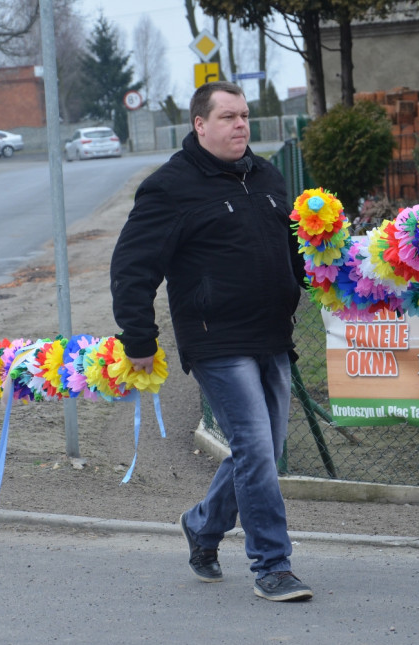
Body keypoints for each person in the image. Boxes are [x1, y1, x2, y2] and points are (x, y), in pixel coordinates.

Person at [109, 81, 313, 602]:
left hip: (271, 334)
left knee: (263, 448)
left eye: (244, 116)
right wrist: (139, 338)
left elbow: (294, 256)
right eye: (227, 117)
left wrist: (328, 274)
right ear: (200, 125)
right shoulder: (170, 187)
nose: (240, 125)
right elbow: (132, 267)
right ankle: (272, 564)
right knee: (255, 448)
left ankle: (202, 525)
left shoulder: (267, 176)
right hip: (215, 340)